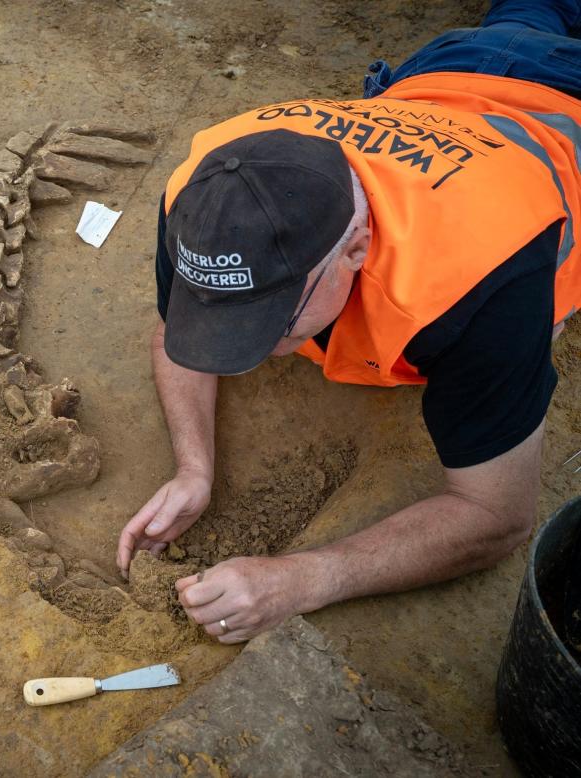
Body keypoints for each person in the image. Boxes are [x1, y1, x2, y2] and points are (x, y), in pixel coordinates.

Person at [118, 0, 581, 643]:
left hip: (564, 97)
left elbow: (496, 516)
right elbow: (175, 339)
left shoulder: (479, 279)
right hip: (437, 72)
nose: (253, 354)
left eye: (276, 321)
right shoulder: (209, 190)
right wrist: (192, 468)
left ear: (357, 249)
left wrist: (301, 581)